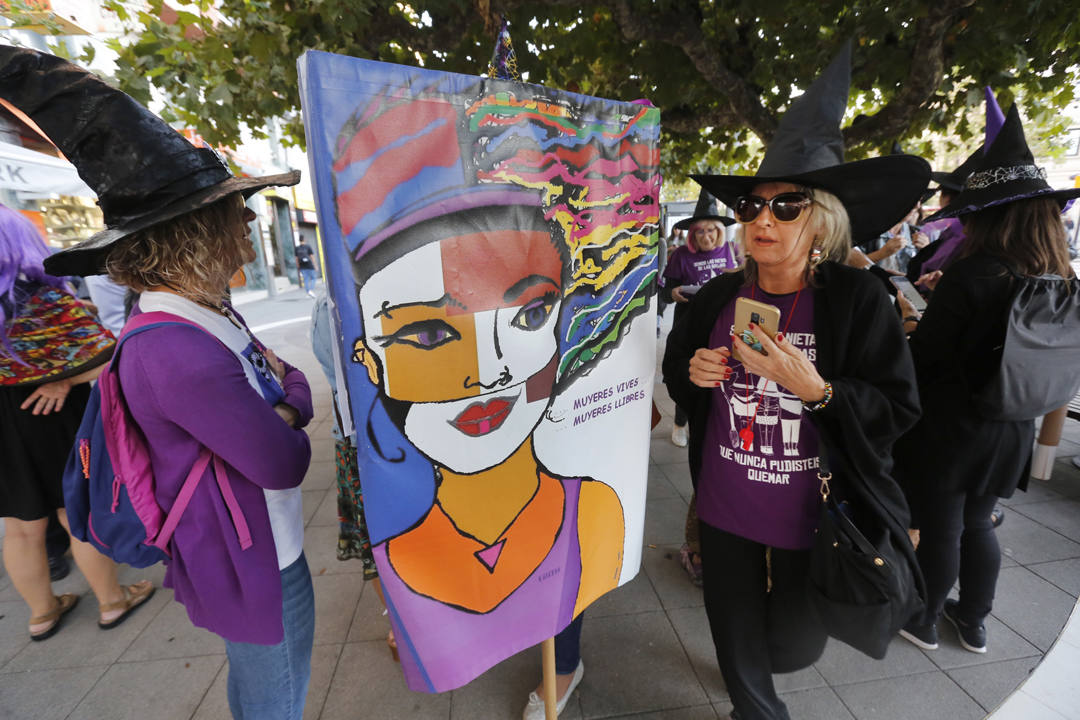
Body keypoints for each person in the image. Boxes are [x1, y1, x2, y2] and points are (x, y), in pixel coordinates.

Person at [3, 47, 313, 719]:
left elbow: (284, 389)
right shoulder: (177, 347)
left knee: (261, 684)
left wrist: (283, 402)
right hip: (249, 554)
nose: (251, 226)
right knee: (275, 697)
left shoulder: (204, 313)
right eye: (238, 212)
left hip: (250, 540)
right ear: (199, 232)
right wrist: (287, 407)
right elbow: (283, 459)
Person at [663, 43, 928, 720]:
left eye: (787, 206)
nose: (762, 221)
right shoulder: (720, 294)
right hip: (725, 502)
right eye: (753, 206)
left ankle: (759, 676)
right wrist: (694, 376)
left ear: (823, 220)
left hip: (817, 513)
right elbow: (677, 367)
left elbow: (899, 406)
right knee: (736, 638)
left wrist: (820, 391)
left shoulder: (857, 300)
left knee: (791, 646)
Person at [895, 104, 1080, 655]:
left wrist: (909, 320)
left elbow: (927, 358)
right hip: (1015, 423)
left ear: (994, 215)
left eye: (972, 212)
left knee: (944, 523)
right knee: (979, 523)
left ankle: (923, 618)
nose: (964, 221)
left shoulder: (973, 271)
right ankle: (973, 621)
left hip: (955, 427)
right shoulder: (1059, 274)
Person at [0, 203, 154, 641]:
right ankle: (111, 601)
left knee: (21, 527)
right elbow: (114, 356)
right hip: (53, 420)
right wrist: (65, 382)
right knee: (76, 514)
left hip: (4, 429)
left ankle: (42, 613)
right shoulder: (47, 300)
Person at [661, 191, 738, 448]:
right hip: (689, 325)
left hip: (722, 325)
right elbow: (665, 290)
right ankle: (680, 424)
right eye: (700, 232)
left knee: (718, 377)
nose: (706, 237)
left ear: (719, 231)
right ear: (692, 235)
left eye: (711, 231)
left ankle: (709, 425)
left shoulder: (730, 251)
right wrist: (672, 292)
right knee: (689, 374)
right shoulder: (681, 255)